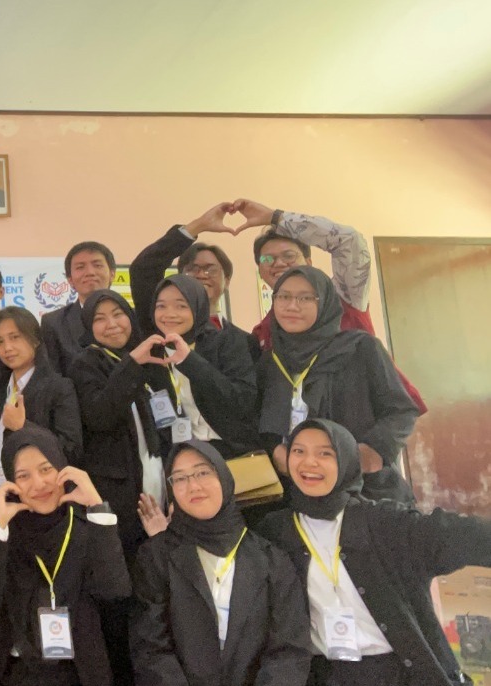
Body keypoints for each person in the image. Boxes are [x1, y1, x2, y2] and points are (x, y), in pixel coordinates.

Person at [260, 419, 491, 686]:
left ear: (346, 459)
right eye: (299, 451)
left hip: (404, 682)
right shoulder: (274, 533)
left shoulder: (386, 524)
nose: (309, 462)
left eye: (325, 453)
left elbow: (462, 536)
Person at [129, 440, 310, 686]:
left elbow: (289, 652)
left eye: (203, 472)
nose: (193, 486)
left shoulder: (271, 559)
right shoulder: (155, 557)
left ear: (225, 477)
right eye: (180, 478)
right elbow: (150, 651)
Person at [0, 425, 129, 686]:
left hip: (79, 684)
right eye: (23, 476)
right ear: (10, 483)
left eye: (46, 469)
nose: (39, 483)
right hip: (13, 683)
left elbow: (115, 591)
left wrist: (97, 506)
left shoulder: (87, 527)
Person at [234, 198, 426, 412]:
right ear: (260, 271)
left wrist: (276, 218)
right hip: (313, 427)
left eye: (288, 256)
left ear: (309, 262)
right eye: (267, 260)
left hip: (375, 419)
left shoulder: (343, 296)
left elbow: (350, 241)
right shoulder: (264, 330)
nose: (278, 263)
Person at [258, 267, 419, 503]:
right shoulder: (269, 361)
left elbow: (401, 410)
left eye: (305, 298)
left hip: (363, 492)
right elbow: (261, 420)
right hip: (294, 494)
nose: (292, 306)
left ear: (325, 302)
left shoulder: (360, 348)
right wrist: (275, 450)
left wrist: (370, 453)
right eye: (283, 296)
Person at [66, 290, 166, 560]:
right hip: (118, 490)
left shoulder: (145, 356)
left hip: (154, 476)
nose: (111, 324)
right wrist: (132, 364)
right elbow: (100, 415)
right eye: (99, 318)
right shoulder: (84, 363)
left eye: (118, 314)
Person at [0, 307, 83, 509]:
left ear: (35, 340)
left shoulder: (59, 387)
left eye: (15, 337)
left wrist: (23, 427)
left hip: (43, 498)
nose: (7, 347)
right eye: (0, 341)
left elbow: (71, 450)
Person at [144, 274, 259, 459]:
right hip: (182, 455)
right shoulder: (153, 353)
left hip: (233, 452)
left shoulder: (226, 342)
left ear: (198, 307)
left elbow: (242, 401)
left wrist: (190, 361)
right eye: (161, 306)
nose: (169, 314)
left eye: (181, 306)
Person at [129, 202, 259, 358]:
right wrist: (199, 225)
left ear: (227, 280)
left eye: (211, 269)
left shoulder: (245, 341)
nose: (201, 275)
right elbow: (143, 269)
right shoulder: (161, 327)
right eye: (192, 269)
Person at [41, 241, 116, 377]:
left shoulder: (132, 318)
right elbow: (53, 377)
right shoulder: (53, 323)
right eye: (80, 267)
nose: (90, 272)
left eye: (97, 265)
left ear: (112, 274)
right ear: (70, 280)